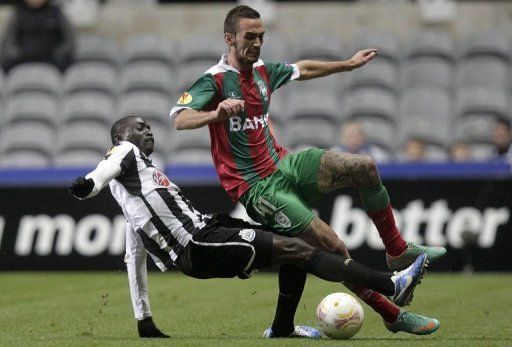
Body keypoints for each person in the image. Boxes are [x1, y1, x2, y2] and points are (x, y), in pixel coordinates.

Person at [170, 5, 445, 338]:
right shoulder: (213, 80)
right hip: (258, 188)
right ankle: (392, 313)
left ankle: (397, 250)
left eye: (261, 37)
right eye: (249, 37)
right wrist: (215, 114)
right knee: (333, 246)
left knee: (365, 167)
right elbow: (181, 118)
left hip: (284, 163)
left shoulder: (262, 71)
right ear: (229, 38)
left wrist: (348, 64)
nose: (257, 43)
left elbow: (302, 68)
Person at [69, 116, 430, 338]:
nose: (148, 131)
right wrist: (88, 185)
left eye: (148, 127)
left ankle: (284, 328)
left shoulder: (135, 194)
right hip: (198, 244)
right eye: (139, 127)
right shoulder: (125, 156)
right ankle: (391, 284)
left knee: (293, 240)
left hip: (209, 232)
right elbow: (105, 169)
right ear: (120, 137)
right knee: (301, 249)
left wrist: (143, 317)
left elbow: (134, 257)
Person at [0, 0, 75, 72]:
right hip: (23, 59)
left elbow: (69, 40)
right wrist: (18, 54)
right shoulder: (18, 14)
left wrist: (58, 53)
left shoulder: (56, 13)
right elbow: (8, 41)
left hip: (51, 59)